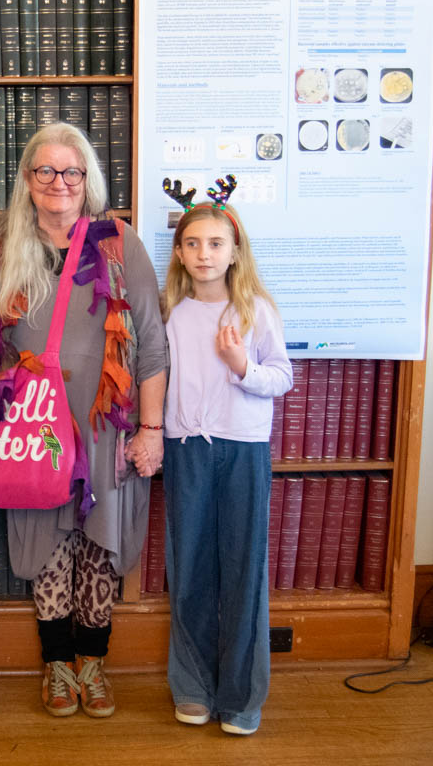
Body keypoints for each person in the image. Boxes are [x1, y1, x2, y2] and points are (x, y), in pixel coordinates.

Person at [0, 122, 167, 719]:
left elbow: (154, 345)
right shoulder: (4, 248)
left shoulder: (119, 245)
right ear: (28, 181)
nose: (60, 182)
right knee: (48, 545)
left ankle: (94, 664)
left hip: (106, 423)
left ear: (89, 181)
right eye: (46, 171)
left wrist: (152, 430)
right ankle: (57, 665)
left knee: (99, 547)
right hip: (35, 429)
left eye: (72, 172)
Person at [159, 178, 293, 735]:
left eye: (215, 243)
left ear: (234, 250)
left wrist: (243, 366)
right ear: (180, 252)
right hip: (187, 452)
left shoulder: (255, 310)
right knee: (189, 570)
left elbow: (281, 377)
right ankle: (192, 687)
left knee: (243, 571)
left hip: (241, 453)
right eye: (192, 244)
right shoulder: (172, 311)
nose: (203, 254)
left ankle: (240, 696)